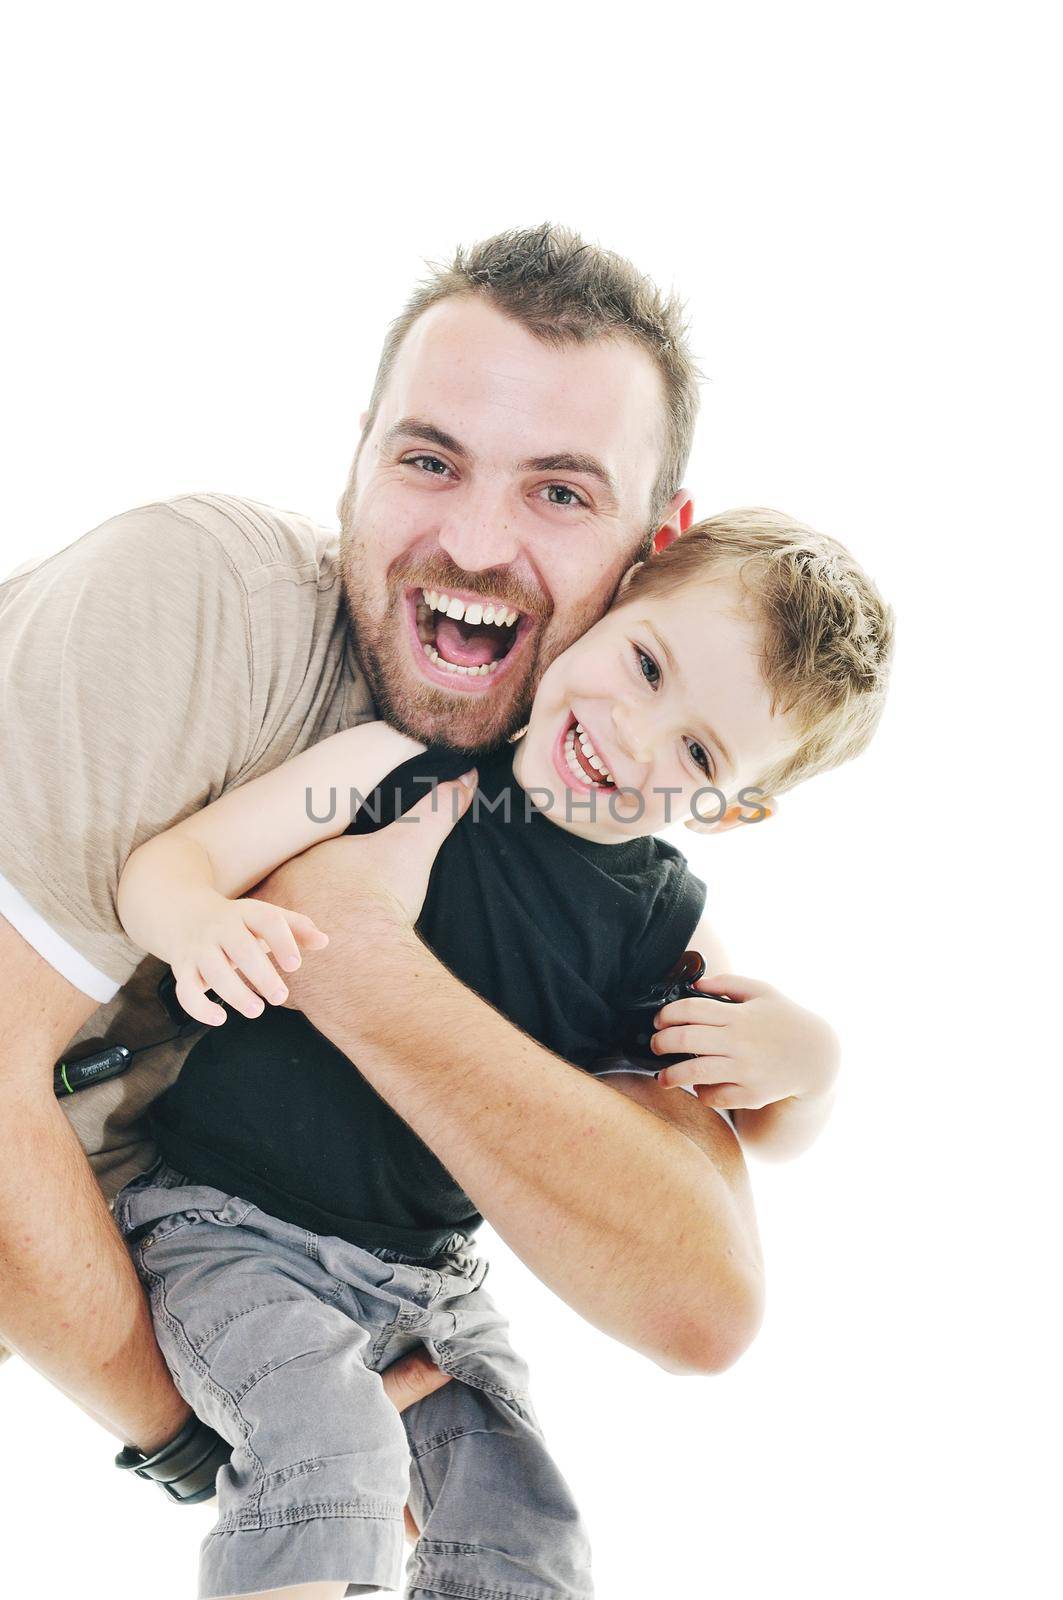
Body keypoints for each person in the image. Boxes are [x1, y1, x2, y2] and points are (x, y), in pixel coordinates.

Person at [0, 224, 774, 1513]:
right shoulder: (203, 601)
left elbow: (700, 1301)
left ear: (658, 543)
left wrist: (360, 966)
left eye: (560, 491)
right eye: (430, 461)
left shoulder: (584, 822)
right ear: (358, 458)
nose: (473, 544)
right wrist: (209, 1440)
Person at [107, 509, 893, 1598]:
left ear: (736, 807)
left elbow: (757, 1130)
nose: (634, 736)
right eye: (646, 664)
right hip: (231, 1224)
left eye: (700, 753)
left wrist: (812, 1063)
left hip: (426, 1285)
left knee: (525, 1529)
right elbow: (172, 863)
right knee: (331, 1453)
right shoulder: (398, 766)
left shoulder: (657, 922)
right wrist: (198, 919)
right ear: (618, 597)